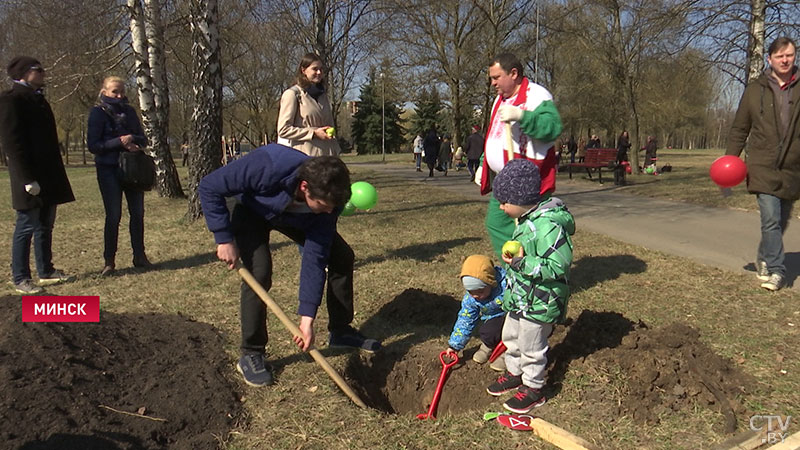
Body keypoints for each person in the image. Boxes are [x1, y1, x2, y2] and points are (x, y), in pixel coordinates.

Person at [198, 145, 381, 387]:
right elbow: (209, 186)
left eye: (333, 207)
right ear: (305, 187)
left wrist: (307, 318)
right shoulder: (268, 165)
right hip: (250, 208)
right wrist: (223, 238)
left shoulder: (328, 205)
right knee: (259, 272)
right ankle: (252, 352)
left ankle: (341, 330)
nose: (329, 211)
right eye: (324, 205)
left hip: (294, 216)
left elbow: (315, 257)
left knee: (341, 256)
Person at [485, 159, 574, 414]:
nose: (500, 207)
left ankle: (534, 388)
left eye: (504, 202)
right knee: (511, 337)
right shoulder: (525, 220)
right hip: (521, 298)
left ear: (521, 199)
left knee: (532, 345)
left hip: (541, 300)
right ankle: (515, 373)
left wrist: (523, 262)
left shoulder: (548, 226)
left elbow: (558, 266)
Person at [727, 36, 800, 292]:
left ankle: (765, 256)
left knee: (781, 219)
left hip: (793, 167)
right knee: (770, 219)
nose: (785, 60)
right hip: (762, 163)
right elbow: (739, 128)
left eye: (789, 55)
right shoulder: (754, 90)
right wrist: (730, 160)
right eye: (780, 56)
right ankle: (778, 271)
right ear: (770, 59)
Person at [0, 56, 75, 294]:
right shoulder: (11, 100)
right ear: (23, 73)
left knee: (45, 225)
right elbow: (12, 143)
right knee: (26, 226)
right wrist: (25, 179)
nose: (43, 73)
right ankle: (20, 277)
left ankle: (46, 270)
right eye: (37, 70)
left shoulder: (39, 99)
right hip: (29, 176)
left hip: (48, 174)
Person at [478, 53, 562, 259]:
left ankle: (534, 270)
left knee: (529, 230)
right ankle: (514, 270)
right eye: (491, 78)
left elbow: (552, 128)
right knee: (496, 224)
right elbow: (494, 135)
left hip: (527, 182)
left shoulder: (537, 96)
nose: (492, 83)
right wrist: (484, 164)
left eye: (496, 77)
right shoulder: (500, 100)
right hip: (504, 180)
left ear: (513, 73)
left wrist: (522, 116)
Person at [87, 76, 153, 276]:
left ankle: (139, 256)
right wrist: (119, 142)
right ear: (104, 92)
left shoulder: (130, 112)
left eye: (122, 91)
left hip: (133, 170)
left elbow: (143, 138)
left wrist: (133, 139)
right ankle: (109, 261)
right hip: (109, 170)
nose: (119, 95)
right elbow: (94, 146)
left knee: (138, 213)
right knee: (113, 215)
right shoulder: (97, 114)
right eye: (115, 91)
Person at [445, 255, 507, 372]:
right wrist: (455, 345)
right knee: (487, 331)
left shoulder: (507, 286)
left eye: (480, 291)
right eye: (471, 292)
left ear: (491, 283)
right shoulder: (471, 299)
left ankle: (509, 353)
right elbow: (465, 320)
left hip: (514, 316)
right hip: (494, 319)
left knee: (514, 332)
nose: (476, 296)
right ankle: (488, 346)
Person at [277, 53, 340, 157]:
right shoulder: (293, 94)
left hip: (328, 157)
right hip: (305, 157)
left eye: (321, 69)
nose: (319, 72)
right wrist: (313, 133)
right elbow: (283, 130)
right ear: (303, 70)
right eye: (315, 69)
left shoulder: (323, 96)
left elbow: (329, 125)